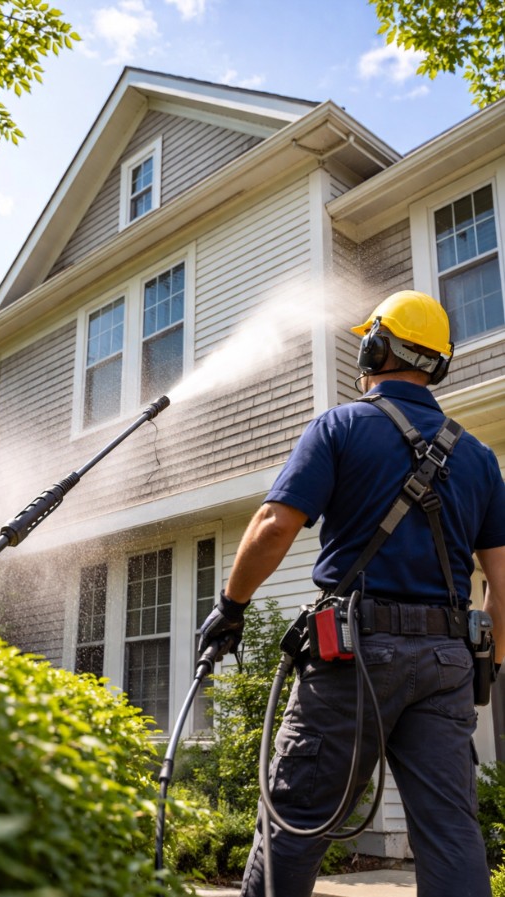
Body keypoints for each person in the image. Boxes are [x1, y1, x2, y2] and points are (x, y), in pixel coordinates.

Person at [199, 290, 505, 897]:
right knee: (450, 832)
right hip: (445, 665)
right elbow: (502, 581)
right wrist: (484, 668)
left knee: (297, 817)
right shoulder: (478, 457)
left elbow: (274, 526)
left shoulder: (339, 425)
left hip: (351, 656)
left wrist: (231, 608)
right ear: (436, 365)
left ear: (375, 346)